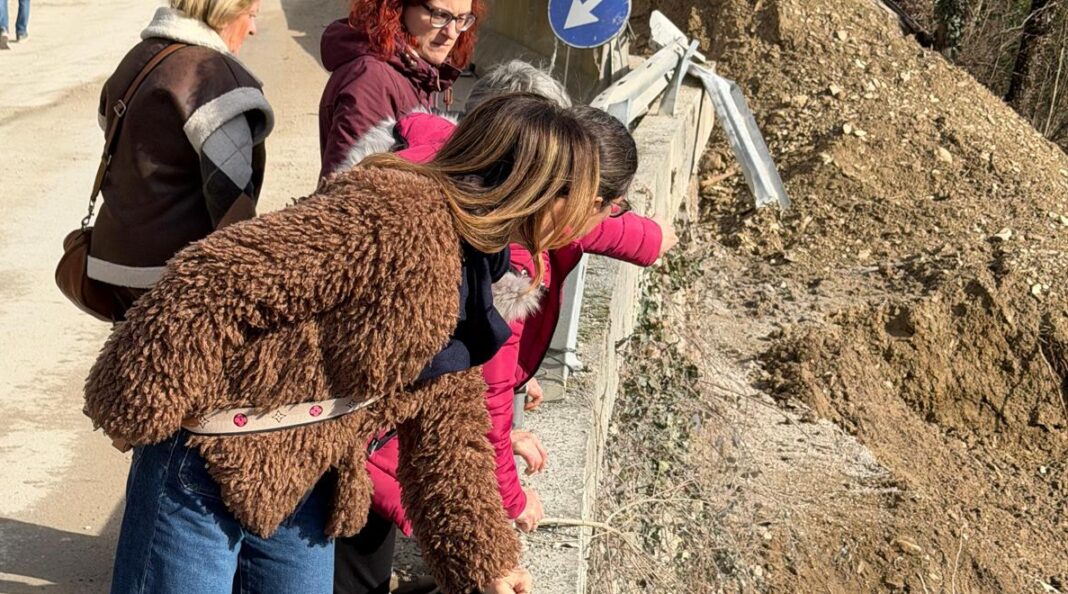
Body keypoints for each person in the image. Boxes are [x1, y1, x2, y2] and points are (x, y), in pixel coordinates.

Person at [84, 93, 609, 594]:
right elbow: (216, 275)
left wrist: (487, 563)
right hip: (206, 453)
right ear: (541, 190)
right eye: (592, 200)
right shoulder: (393, 214)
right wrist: (139, 407)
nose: (596, 216)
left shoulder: (477, 263)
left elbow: (448, 430)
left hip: (307, 467)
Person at [336, 66, 677, 593]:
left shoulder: (435, 164)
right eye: (606, 207)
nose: (605, 221)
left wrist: (649, 238)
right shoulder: (505, 267)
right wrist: (506, 513)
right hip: (339, 433)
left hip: (342, 420)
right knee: (347, 565)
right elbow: (481, 406)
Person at [87, 0, 272, 319]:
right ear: (224, 12)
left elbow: (114, 131)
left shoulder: (137, 58)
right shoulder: (217, 79)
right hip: (178, 277)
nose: (253, 29)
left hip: (112, 262)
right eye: (251, 15)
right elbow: (229, 197)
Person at [318, 0, 484, 179]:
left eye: (461, 19)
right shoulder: (372, 80)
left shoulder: (417, 71)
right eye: (440, 15)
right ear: (397, 6)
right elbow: (348, 188)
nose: (451, 33)